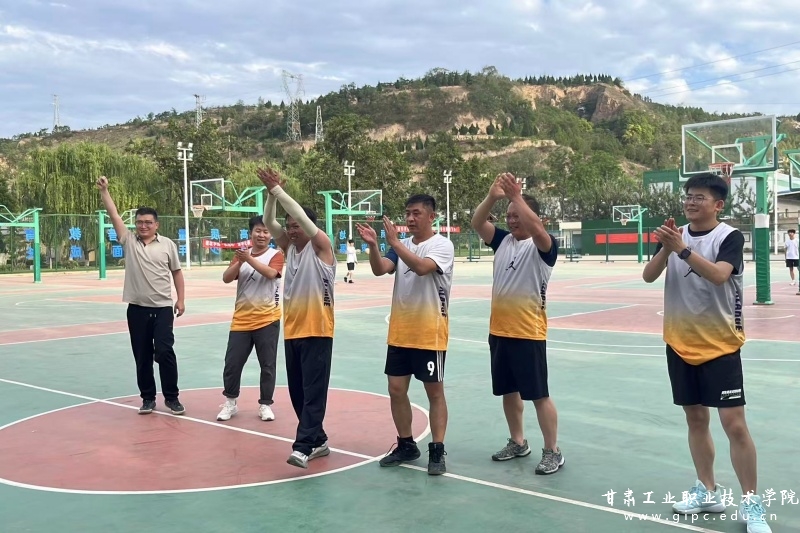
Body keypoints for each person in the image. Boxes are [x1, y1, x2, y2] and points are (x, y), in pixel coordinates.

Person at [642, 172, 771, 533]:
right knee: (696, 420)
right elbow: (649, 276)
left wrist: (682, 249)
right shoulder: (674, 235)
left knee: (735, 425)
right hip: (680, 343)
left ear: (718, 204)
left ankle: (751, 503)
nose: (691, 202)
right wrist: (667, 246)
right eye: (688, 196)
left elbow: (718, 275)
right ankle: (707, 490)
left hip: (720, 345)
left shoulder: (729, 236)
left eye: (699, 197)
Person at [470, 173, 563, 475]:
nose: (511, 220)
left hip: (528, 333)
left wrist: (517, 197)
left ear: (530, 215)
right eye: (508, 216)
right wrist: (492, 196)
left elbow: (537, 228)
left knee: (538, 395)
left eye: (517, 215)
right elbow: (477, 222)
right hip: (499, 331)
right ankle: (518, 441)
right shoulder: (502, 242)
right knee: (508, 392)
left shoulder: (543, 246)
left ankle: (552, 451)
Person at [356, 194, 454, 476]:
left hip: (429, 331)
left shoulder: (442, 245)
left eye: (416, 213)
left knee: (434, 392)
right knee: (396, 390)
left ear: (431, 216)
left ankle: (437, 449)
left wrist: (395, 243)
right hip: (401, 331)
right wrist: (374, 246)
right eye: (408, 213)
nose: (410, 218)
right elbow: (380, 269)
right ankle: (406, 444)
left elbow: (423, 268)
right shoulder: (400, 246)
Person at [257, 167, 336, 469]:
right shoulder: (290, 249)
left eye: (296, 225)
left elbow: (301, 217)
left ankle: (303, 447)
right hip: (292, 331)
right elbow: (268, 222)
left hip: (317, 330)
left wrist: (279, 190)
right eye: (288, 226)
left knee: (314, 393)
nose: (290, 230)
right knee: (298, 394)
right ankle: (319, 440)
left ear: (308, 226)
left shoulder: (321, 247)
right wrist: (271, 195)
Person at [96, 176, 186, 416]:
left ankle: (172, 398)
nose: (143, 226)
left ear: (156, 225)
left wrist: (181, 299)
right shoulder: (129, 241)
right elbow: (114, 215)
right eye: (139, 222)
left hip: (163, 308)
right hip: (137, 309)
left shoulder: (167, 245)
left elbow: (177, 273)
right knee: (142, 356)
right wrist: (105, 191)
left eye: (148, 222)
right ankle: (147, 398)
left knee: (165, 352)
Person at [216, 215, 285, 422]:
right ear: (251, 233)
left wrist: (249, 259)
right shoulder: (241, 255)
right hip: (241, 320)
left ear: (271, 234)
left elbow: (271, 274)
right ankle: (230, 402)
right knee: (232, 364)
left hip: (267, 318)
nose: (261, 235)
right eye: (258, 231)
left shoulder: (275, 254)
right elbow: (226, 278)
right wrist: (240, 261)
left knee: (267, 365)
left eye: (266, 231)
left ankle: (265, 404)